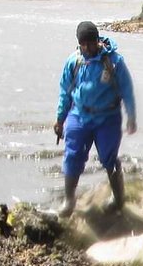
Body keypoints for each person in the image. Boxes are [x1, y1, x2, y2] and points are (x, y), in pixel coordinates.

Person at [54, 21, 137, 216]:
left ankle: (118, 199)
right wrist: (60, 119)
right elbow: (65, 92)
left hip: (107, 117)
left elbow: (127, 91)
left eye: (92, 43)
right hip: (79, 115)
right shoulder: (73, 62)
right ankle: (69, 201)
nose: (88, 48)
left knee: (108, 157)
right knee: (73, 155)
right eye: (84, 44)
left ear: (98, 41)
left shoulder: (114, 62)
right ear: (79, 44)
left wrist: (131, 117)